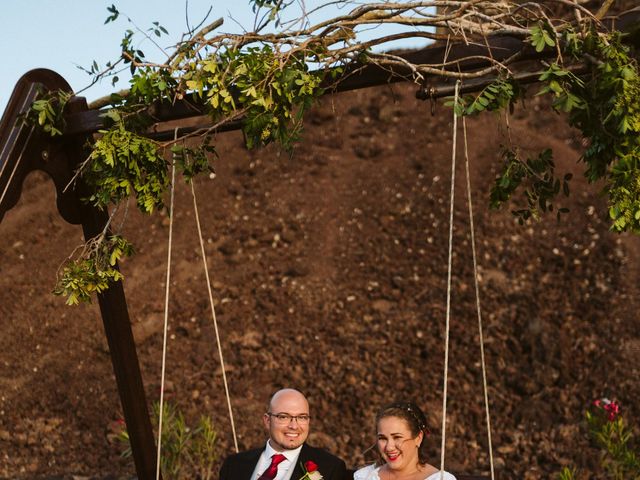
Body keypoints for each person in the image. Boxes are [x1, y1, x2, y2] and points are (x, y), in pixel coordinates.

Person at [219, 388, 351, 480]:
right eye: (284, 417)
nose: (294, 426)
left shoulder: (331, 468)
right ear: (267, 421)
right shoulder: (234, 465)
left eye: (302, 417)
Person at [354, 401, 456, 480]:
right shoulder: (365, 476)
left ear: (418, 438)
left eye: (397, 437)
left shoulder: (440, 479)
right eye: (383, 438)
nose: (389, 447)